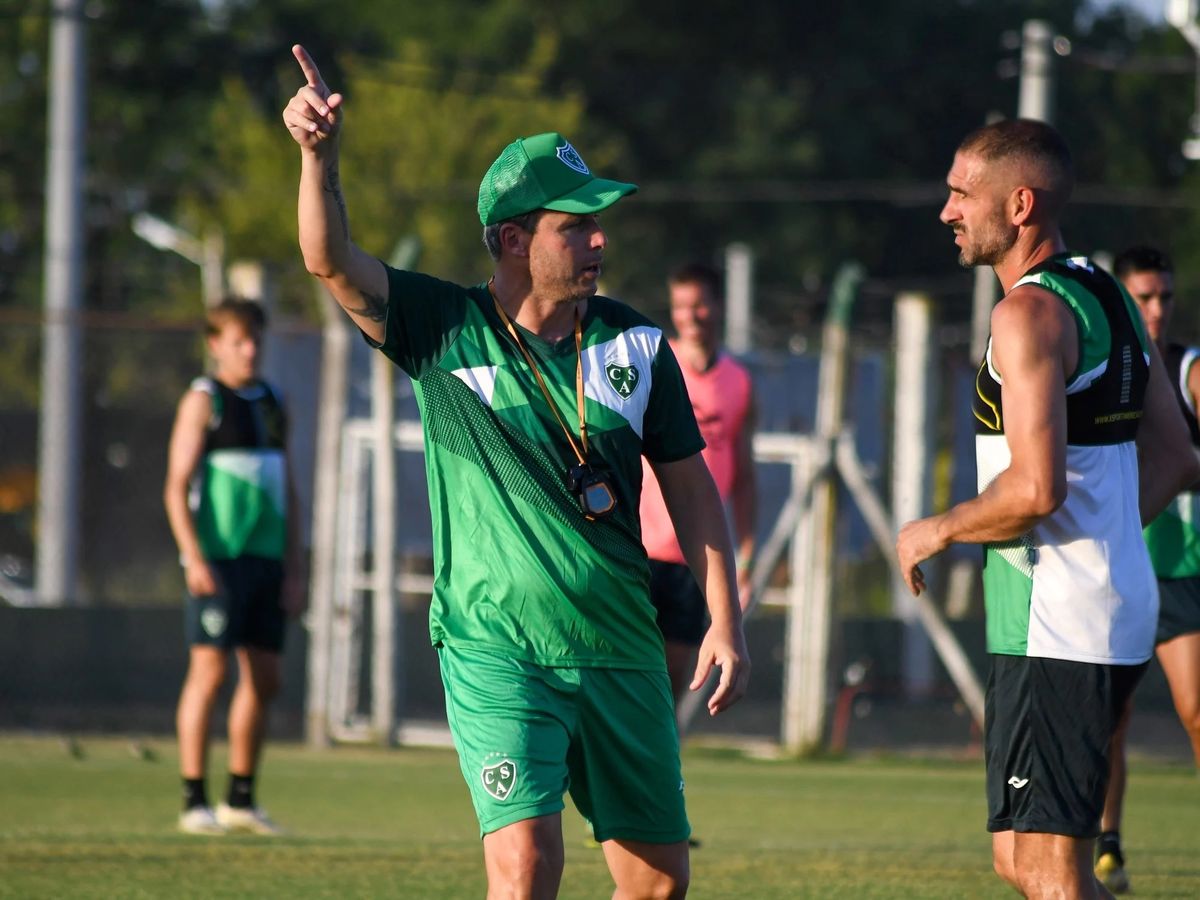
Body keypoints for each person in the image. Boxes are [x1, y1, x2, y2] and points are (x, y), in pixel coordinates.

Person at [282, 45, 749, 899]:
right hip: (499, 648)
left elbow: (692, 491)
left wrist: (726, 619)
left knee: (656, 885)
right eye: (576, 225)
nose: (599, 239)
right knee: (526, 866)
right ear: (511, 238)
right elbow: (330, 258)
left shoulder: (637, 343)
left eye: (598, 221)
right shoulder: (442, 327)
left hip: (622, 649)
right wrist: (319, 159)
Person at [895, 119, 1199, 899]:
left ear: (1019, 203)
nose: (947, 210)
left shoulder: (1025, 316)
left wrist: (937, 528)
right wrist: (1103, 545)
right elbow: (1177, 456)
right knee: (1020, 860)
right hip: (1095, 608)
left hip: (1058, 624)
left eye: (962, 193)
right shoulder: (1107, 296)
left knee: (1051, 872)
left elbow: (1035, 490)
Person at [164, 297, 306, 836]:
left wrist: (297, 568)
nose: (250, 350)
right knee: (210, 671)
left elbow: (290, 488)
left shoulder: (273, 401)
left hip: (267, 562)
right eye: (239, 340)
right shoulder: (204, 401)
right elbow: (176, 488)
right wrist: (194, 558)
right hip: (219, 563)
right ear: (215, 345)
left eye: (256, 341)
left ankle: (240, 799)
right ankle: (193, 798)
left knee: (266, 678)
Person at [1094, 245, 1200, 894]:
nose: (1157, 309)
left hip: (1181, 568)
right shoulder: (1104, 370)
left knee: (1196, 712)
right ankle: (1108, 843)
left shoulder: (1189, 371)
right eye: (1143, 297)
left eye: (1164, 296)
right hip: (1117, 568)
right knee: (1109, 718)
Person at [640, 262, 756, 709]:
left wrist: (745, 554)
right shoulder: (653, 364)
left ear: (718, 306)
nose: (691, 316)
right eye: (681, 306)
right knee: (629, 671)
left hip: (695, 557)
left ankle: (658, 774)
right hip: (639, 547)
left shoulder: (739, 383)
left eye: (700, 304)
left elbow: (744, 479)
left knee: (671, 680)